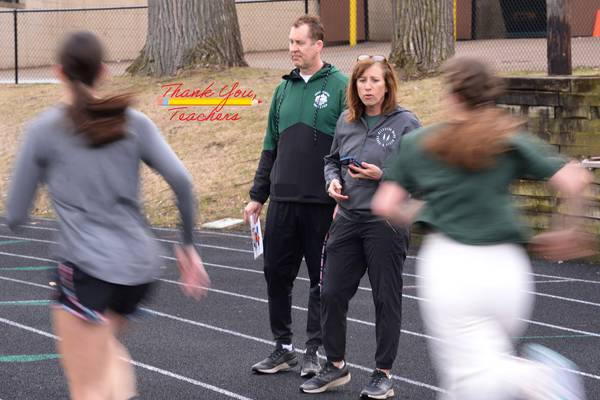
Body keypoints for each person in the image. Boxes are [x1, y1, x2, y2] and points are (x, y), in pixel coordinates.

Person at [5, 31, 210, 400]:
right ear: (102, 71)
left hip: (87, 269)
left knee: (87, 386)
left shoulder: (43, 130)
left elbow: (16, 215)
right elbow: (181, 180)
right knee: (108, 354)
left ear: (57, 72)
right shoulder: (133, 121)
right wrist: (188, 246)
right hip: (137, 271)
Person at [372, 56, 591, 400]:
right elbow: (575, 179)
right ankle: (526, 378)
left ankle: (538, 378)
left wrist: (422, 207)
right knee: (478, 376)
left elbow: (384, 205)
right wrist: (566, 229)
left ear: (451, 94)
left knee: (472, 380)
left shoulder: (421, 143)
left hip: (454, 271)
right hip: (510, 274)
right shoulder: (508, 138)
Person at [299, 55, 420, 398]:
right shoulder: (346, 121)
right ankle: (336, 366)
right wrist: (332, 181)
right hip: (348, 220)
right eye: (361, 81)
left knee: (386, 299)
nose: (367, 87)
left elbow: (421, 174)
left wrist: (385, 176)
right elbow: (331, 160)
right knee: (331, 292)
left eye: (374, 81)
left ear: (387, 85)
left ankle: (383, 373)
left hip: (386, 224)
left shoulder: (407, 123)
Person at [244, 15, 348, 378]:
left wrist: (343, 195)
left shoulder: (340, 86)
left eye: (299, 43)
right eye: (290, 42)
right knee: (275, 273)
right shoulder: (282, 89)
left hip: (322, 204)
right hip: (283, 202)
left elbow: (349, 147)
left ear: (318, 45)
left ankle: (313, 351)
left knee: (321, 281)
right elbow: (269, 146)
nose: (292, 49)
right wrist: (258, 196)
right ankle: (283, 347)